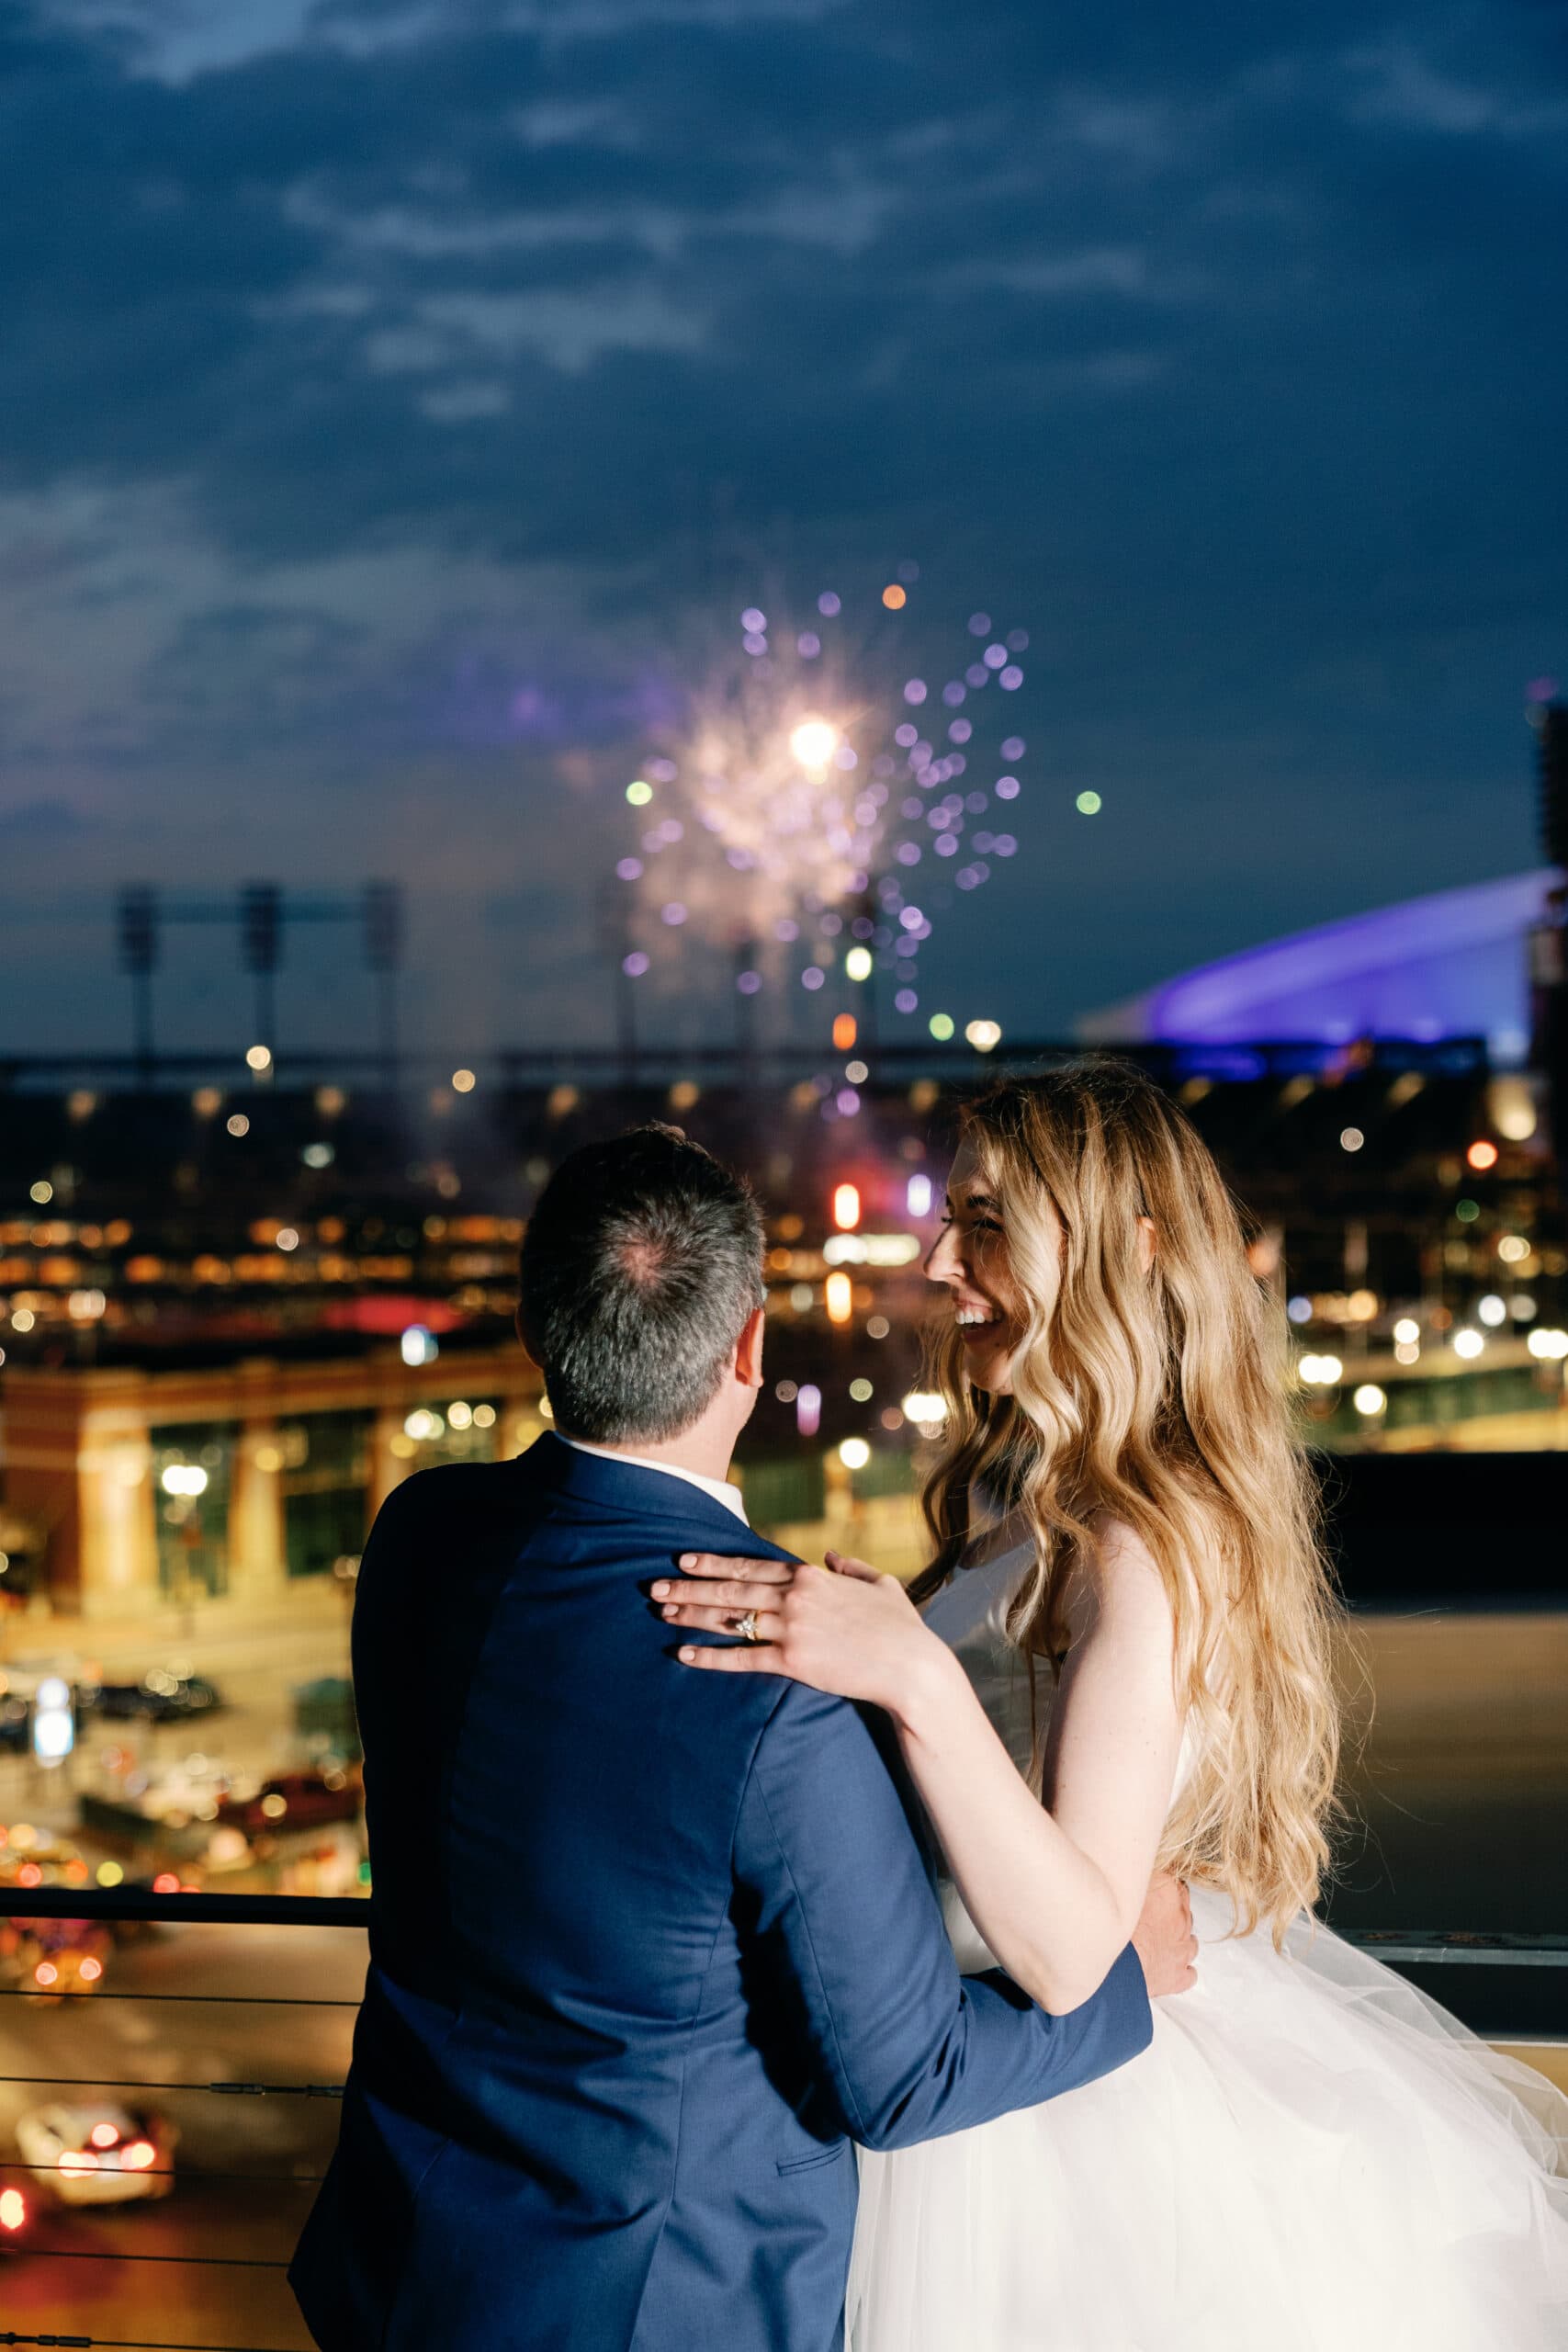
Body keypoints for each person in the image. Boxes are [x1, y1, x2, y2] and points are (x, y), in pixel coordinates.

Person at [659, 1063, 1568, 2351]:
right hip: (974, 2067)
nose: (939, 1257)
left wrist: (907, 1672)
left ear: (1129, 1251)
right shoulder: (1025, 1505)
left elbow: (1073, 1950)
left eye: (985, 1224)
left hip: (1073, 2126)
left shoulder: (1137, 1543)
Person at [289, 1122, 1196, 2352]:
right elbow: (906, 2076)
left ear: (535, 1330)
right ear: (750, 1349)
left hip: (398, 2266)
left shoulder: (421, 1534)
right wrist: (1129, 1981)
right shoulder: (784, 1668)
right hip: (657, 2309)